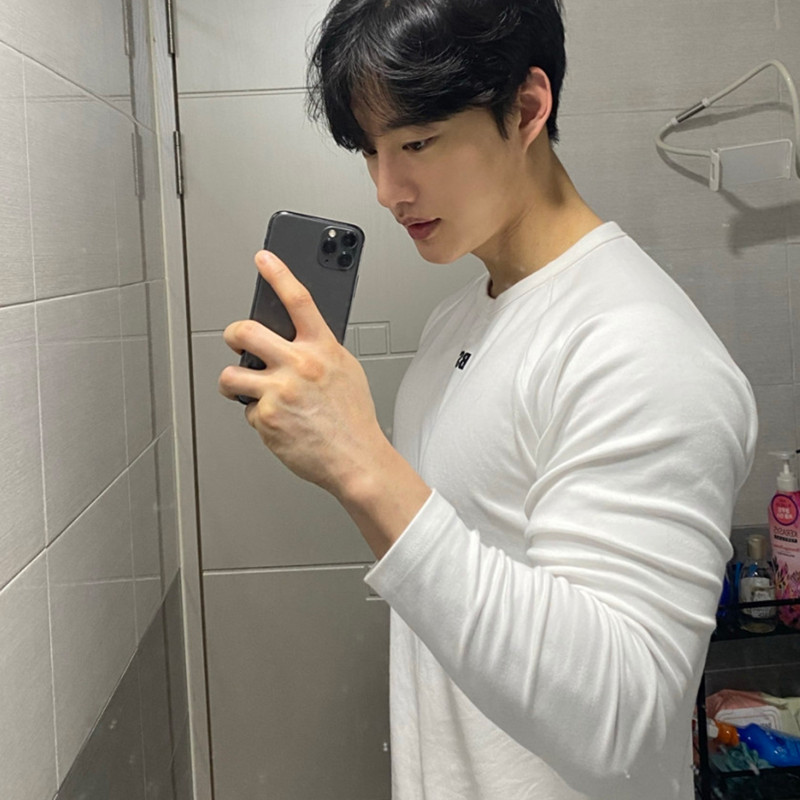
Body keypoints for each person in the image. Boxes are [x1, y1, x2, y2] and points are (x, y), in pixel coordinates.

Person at [218, 1, 759, 797]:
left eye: (417, 143)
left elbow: (624, 718)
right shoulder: (458, 318)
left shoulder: (642, 346)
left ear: (528, 107)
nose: (387, 189)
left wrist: (360, 461)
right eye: (370, 150)